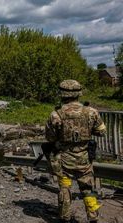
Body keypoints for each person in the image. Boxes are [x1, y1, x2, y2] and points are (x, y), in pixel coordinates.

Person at [45, 80, 106, 223]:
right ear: (79, 93)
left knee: (65, 188)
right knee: (87, 189)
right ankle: (93, 217)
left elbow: (49, 137)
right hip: (84, 158)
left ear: (62, 94)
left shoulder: (55, 114)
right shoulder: (91, 112)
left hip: (64, 160)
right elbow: (102, 131)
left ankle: (64, 218)